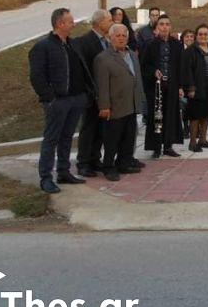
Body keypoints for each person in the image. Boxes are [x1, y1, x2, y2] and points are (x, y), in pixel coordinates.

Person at [28, 8, 93, 194]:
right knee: (51, 139)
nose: (73, 24)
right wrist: (49, 97)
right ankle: (46, 177)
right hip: (58, 101)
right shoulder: (43, 47)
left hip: (75, 99)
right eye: (70, 21)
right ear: (60, 24)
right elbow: (37, 76)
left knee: (67, 137)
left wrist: (85, 94)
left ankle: (63, 172)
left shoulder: (72, 44)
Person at [94, 23, 145, 181]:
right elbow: (101, 85)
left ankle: (124, 162)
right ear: (110, 38)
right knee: (112, 139)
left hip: (131, 104)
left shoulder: (132, 54)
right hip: (115, 106)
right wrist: (104, 106)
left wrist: (140, 99)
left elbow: (136, 77)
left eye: (124, 35)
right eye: (118, 35)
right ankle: (108, 167)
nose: (121, 38)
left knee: (129, 136)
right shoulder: (103, 58)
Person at [74, 9, 113, 178]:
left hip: (105, 93)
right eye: (109, 20)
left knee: (100, 128)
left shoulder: (107, 41)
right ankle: (83, 163)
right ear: (99, 22)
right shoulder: (85, 41)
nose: (111, 23)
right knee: (88, 128)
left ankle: (95, 158)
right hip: (91, 94)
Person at [140, 14, 184, 158]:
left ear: (170, 27)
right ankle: (156, 147)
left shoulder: (177, 45)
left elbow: (180, 68)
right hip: (155, 87)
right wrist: (154, 72)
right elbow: (144, 65)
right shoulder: (150, 44)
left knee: (171, 115)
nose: (164, 27)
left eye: (167, 24)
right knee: (156, 117)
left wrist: (181, 86)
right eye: (161, 24)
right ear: (157, 27)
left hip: (172, 86)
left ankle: (168, 146)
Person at [182, 24, 208, 152]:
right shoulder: (191, 50)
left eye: (205, 34)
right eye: (200, 34)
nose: (203, 36)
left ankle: (203, 140)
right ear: (196, 35)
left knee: (206, 114)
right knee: (195, 116)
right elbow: (187, 71)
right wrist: (191, 88)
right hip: (197, 87)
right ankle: (193, 142)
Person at [179, 29, 195, 138]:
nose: (189, 38)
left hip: (194, 82)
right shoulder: (179, 51)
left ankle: (195, 128)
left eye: (191, 37)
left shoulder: (196, 50)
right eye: (187, 36)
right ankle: (185, 127)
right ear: (183, 38)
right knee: (184, 107)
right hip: (183, 81)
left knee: (194, 106)